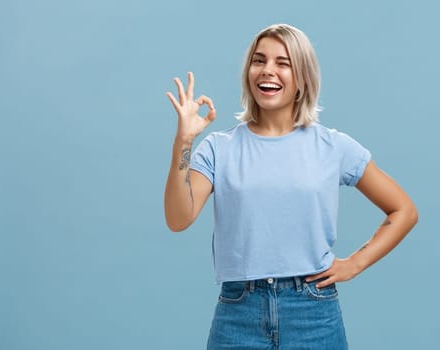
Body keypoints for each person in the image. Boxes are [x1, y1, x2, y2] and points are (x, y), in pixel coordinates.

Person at [163, 23, 418, 349]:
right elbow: (178, 218)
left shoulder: (333, 146)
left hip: (313, 311)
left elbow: (403, 210)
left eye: (283, 63)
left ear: (303, 77)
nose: (267, 71)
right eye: (259, 61)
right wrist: (183, 142)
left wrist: (354, 264)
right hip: (239, 310)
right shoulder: (218, 148)